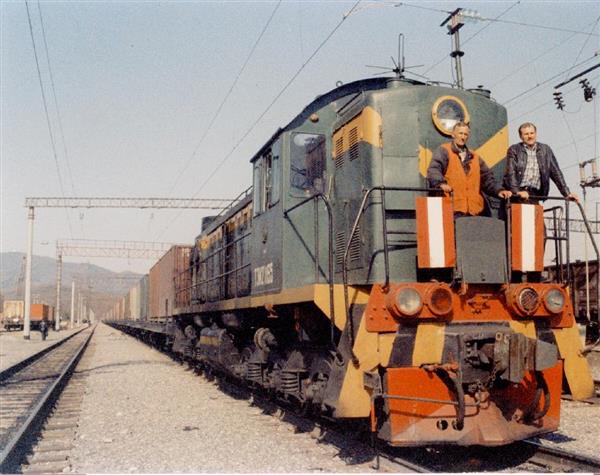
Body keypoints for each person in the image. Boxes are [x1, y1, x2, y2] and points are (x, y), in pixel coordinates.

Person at [427, 122, 511, 216]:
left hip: (474, 211)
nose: (463, 137)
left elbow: (487, 179)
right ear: (453, 134)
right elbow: (434, 170)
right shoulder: (443, 150)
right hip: (452, 209)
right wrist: (440, 184)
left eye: (465, 134)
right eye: (460, 133)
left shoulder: (475, 156)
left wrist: (499, 190)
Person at [503, 122, 579, 203]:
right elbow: (511, 173)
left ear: (536, 134)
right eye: (526, 134)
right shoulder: (514, 149)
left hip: (535, 195)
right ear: (521, 136)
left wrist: (567, 193)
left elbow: (556, 173)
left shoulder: (545, 150)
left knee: (535, 211)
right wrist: (517, 192)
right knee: (520, 210)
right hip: (518, 194)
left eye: (532, 133)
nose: (530, 136)